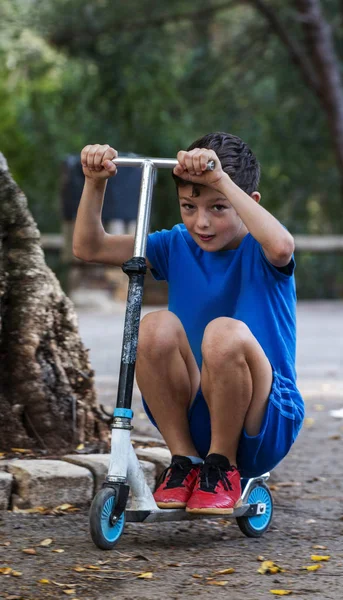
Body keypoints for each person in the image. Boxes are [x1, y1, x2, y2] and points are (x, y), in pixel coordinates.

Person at [73, 132, 304, 515]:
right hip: (200, 413)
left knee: (222, 333)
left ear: (247, 203)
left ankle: (223, 466)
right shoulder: (176, 244)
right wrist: (95, 181)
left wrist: (221, 180)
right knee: (152, 327)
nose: (202, 223)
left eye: (218, 207)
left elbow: (282, 247)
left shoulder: (263, 249)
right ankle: (185, 462)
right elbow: (89, 247)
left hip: (263, 420)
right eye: (188, 206)